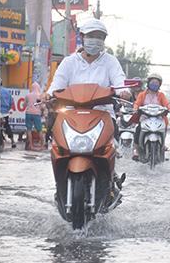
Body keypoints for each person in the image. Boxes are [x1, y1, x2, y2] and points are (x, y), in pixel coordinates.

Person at [44, 19, 130, 187]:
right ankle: (60, 183)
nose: (95, 40)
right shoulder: (69, 62)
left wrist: (123, 92)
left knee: (112, 146)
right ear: (82, 37)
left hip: (102, 114)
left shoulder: (110, 61)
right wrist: (47, 95)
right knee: (58, 147)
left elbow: (120, 82)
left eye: (99, 37)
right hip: (70, 116)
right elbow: (56, 85)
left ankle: (111, 179)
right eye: (92, 36)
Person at [131, 73, 170, 162]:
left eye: (156, 83)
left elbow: (166, 103)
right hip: (145, 118)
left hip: (159, 118)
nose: (154, 84)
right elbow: (137, 103)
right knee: (138, 129)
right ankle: (136, 150)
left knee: (164, 128)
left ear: (159, 85)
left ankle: (162, 147)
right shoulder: (142, 94)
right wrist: (135, 108)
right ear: (148, 83)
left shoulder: (161, 95)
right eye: (152, 82)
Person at [24, 82, 43, 150]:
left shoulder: (28, 95)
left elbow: (24, 105)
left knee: (29, 130)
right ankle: (41, 146)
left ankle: (31, 146)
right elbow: (41, 106)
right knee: (39, 130)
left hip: (28, 113)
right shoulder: (39, 96)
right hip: (36, 114)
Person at [0, 83, 16, 148]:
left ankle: (0, 141)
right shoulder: (7, 91)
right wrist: (7, 109)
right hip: (5, 112)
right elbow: (11, 102)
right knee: (7, 126)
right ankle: (12, 141)